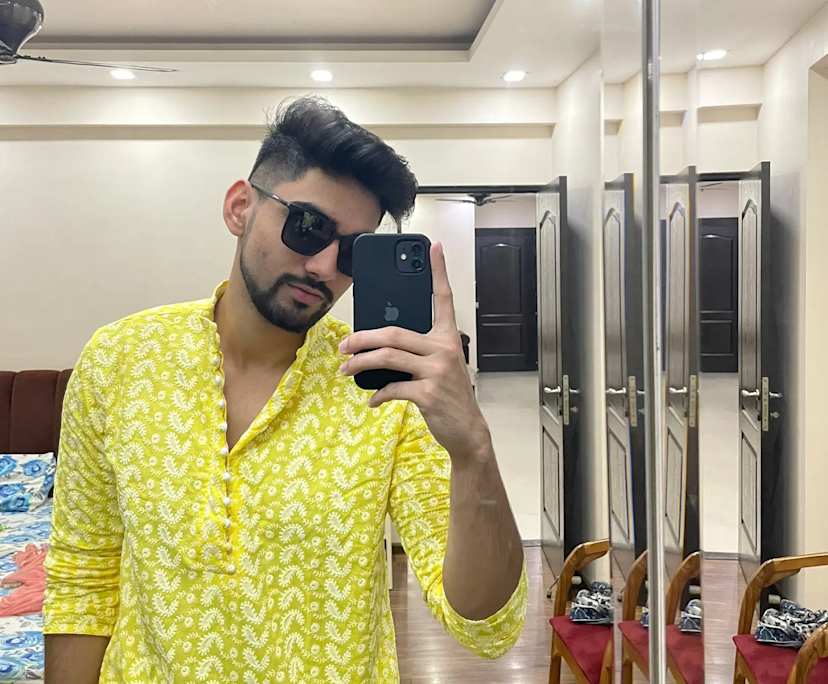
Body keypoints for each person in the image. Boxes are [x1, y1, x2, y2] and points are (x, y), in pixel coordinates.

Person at [43, 96, 527, 684]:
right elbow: (83, 577)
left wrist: (474, 449)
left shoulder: (384, 387)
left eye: (351, 251)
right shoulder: (120, 360)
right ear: (240, 208)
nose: (324, 267)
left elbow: (483, 625)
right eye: (308, 227)